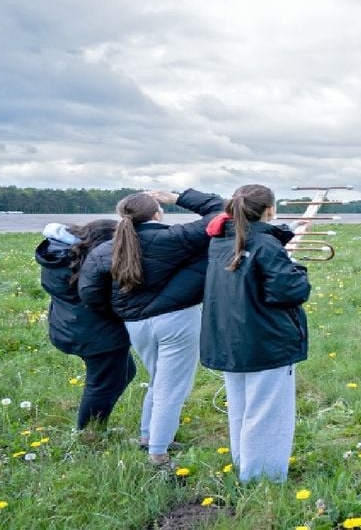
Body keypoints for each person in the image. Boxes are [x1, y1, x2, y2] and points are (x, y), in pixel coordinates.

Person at [79, 188, 224, 467]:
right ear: (157, 213)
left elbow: (90, 292)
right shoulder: (175, 237)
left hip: (135, 323)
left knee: (159, 380)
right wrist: (179, 197)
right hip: (177, 319)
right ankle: (158, 453)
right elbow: (220, 212)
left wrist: (118, 311)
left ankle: (149, 436)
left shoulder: (105, 249)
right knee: (173, 387)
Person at [200, 184, 311, 483]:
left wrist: (281, 236)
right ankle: (263, 481)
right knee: (267, 414)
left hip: (231, 339)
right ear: (269, 210)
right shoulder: (263, 246)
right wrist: (295, 267)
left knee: (242, 409)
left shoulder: (220, 240)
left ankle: (244, 467)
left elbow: (255, 255)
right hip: (266, 340)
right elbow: (289, 291)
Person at [35, 220, 134, 436]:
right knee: (101, 384)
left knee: (124, 373)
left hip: (71, 326)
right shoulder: (88, 264)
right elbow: (104, 298)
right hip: (97, 334)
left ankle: (97, 423)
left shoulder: (60, 255)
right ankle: (88, 433)